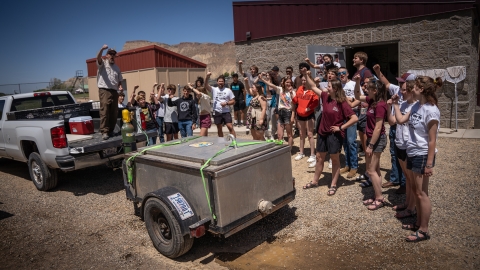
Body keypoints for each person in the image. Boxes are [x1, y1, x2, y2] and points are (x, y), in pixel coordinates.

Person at [392, 76, 442, 242]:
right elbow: (399, 120)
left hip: (422, 153)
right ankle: (418, 223)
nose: (411, 89)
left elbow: (432, 140)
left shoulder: (431, 110)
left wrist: (429, 164)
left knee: (421, 193)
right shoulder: (416, 107)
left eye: (415, 87)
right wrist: (395, 104)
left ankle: (424, 230)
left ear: (421, 89)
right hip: (412, 151)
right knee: (416, 190)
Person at [302, 70, 358, 195]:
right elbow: (312, 86)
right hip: (322, 132)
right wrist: (306, 74)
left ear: (335, 89)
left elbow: (354, 118)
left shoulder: (342, 102)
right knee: (319, 157)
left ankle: (333, 184)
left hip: (334, 135)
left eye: (329, 86)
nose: (327, 87)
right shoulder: (325, 96)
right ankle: (315, 181)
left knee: (334, 159)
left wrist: (341, 127)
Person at [374, 64, 411, 194]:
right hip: (395, 128)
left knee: (404, 157)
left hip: (403, 128)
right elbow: (386, 83)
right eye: (400, 83)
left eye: (403, 83)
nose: (401, 87)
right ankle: (395, 179)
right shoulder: (397, 90)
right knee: (395, 155)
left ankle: (405, 183)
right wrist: (378, 72)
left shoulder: (410, 99)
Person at [353, 73, 388, 210]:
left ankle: (379, 198)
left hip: (377, 140)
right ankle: (377, 194)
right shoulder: (371, 100)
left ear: (375, 91)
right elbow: (357, 96)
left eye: (368, 88)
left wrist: (371, 145)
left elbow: (378, 127)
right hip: (372, 138)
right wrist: (357, 82)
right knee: (376, 170)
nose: (366, 89)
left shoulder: (380, 105)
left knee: (371, 170)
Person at [386, 80, 417, 219]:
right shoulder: (402, 104)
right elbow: (392, 121)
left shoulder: (416, 106)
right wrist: (390, 106)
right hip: (399, 142)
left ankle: (412, 207)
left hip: (409, 144)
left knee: (411, 179)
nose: (401, 92)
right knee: (407, 177)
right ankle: (407, 203)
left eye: (404, 90)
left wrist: (396, 105)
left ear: (412, 90)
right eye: (401, 89)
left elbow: (402, 121)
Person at [258, 74, 296, 147]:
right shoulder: (280, 89)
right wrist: (262, 79)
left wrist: (292, 116)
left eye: (290, 82)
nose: (288, 84)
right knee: (279, 134)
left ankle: (289, 149)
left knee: (289, 134)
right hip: (280, 112)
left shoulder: (293, 93)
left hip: (288, 113)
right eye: (287, 82)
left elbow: (294, 106)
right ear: (284, 83)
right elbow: (271, 85)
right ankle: (280, 149)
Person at [96, 44, 123, 140]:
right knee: (105, 110)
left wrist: (120, 86)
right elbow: (98, 57)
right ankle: (104, 131)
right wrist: (102, 49)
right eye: (110, 54)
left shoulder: (117, 68)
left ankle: (111, 131)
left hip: (114, 90)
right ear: (106, 55)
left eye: (113, 54)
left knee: (114, 111)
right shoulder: (102, 63)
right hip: (104, 89)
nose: (112, 56)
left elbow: (119, 80)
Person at [338, 67, 361, 179]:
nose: (341, 75)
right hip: (341, 116)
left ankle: (354, 167)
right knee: (345, 142)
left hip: (351, 115)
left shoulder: (353, 84)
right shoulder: (338, 86)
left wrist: (352, 104)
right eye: (339, 73)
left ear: (347, 73)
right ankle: (347, 164)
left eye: (343, 73)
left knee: (351, 141)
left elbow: (359, 98)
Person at [292, 74, 318, 164]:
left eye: (305, 80)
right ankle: (301, 152)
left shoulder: (312, 90)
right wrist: (293, 95)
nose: (304, 82)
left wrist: (310, 108)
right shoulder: (300, 89)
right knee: (301, 133)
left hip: (309, 114)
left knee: (310, 134)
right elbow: (296, 101)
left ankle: (312, 154)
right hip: (300, 114)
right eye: (302, 80)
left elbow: (316, 101)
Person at [205, 72, 236, 138]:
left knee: (230, 126)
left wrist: (226, 103)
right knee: (219, 127)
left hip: (226, 111)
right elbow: (205, 85)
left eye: (222, 81)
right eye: (219, 81)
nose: (220, 82)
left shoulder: (228, 90)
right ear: (217, 82)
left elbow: (233, 101)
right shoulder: (214, 89)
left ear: (224, 82)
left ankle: (235, 141)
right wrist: (207, 77)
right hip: (217, 111)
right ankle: (221, 141)